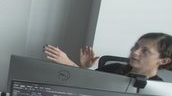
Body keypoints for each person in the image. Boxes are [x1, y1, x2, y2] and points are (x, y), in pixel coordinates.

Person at [44, 32, 172, 80]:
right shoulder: (114, 69)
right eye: (135, 46)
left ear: (164, 60)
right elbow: (87, 85)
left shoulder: (158, 89)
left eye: (145, 51)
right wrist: (82, 68)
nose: (135, 52)